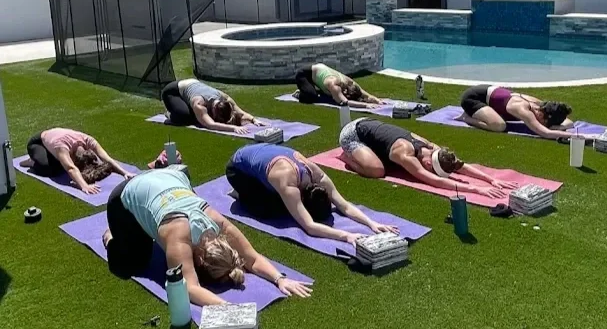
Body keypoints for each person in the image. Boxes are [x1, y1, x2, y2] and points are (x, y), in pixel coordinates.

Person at [102, 166, 312, 304]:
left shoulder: (219, 223)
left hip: (172, 177)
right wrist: (228, 307)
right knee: (132, 264)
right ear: (199, 259)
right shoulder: (178, 234)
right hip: (125, 194)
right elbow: (189, 288)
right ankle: (111, 235)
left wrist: (280, 279)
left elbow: (253, 258)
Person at [226, 143, 399, 243]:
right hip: (238, 170)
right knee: (271, 211)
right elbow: (309, 227)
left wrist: (372, 223)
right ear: (302, 198)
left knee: (285, 203)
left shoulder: (317, 175)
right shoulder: (288, 184)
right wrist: (347, 236)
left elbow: (344, 205)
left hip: (264, 154)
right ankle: (239, 193)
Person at [339, 117, 516, 198]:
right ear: (428, 162)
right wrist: (476, 190)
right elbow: (431, 180)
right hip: (353, 133)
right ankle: (347, 158)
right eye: (433, 169)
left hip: (371, 126)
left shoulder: (432, 148)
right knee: (377, 170)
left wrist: (491, 180)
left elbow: (459, 165)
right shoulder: (405, 153)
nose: (431, 171)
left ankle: (371, 153)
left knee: (384, 164)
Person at [26, 128, 134, 195]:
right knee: (50, 170)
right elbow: (71, 168)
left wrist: (124, 172)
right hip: (38, 143)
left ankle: (50, 155)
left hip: (53, 142)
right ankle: (32, 161)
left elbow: (107, 158)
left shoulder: (88, 140)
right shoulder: (62, 146)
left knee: (60, 163)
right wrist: (84, 186)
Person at [459, 85, 578, 139]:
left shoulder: (541, 105)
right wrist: (576, 136)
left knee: (500, 122)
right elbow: (545, 133)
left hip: (488, 94)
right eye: (545, 122)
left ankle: (485, 113)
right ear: (542, 115)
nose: (544, 124)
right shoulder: (523, 109)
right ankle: (467, 117)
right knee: (499, 126)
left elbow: (569, 123)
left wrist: (557, 128)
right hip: (473, 98)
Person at [161, 78, 267, 134]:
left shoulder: (224, 98)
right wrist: (233, 128)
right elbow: (210, 124)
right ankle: (169, 113)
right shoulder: (199, 104)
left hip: (192, 83)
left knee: (196, 116)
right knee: (188, 118)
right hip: (173, 92)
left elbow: (239, 111)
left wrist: (254, 119)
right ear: (214, 110)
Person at [294, 63, 382, 108]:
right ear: (345, 91)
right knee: (312, 97)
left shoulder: (348, 82)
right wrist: (365, 105)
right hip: (304, 74)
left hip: (318, 71)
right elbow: (344, 102)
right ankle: (300, 93)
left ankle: (313, 88)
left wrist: (376, 99)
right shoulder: (333, 85)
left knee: (327, 94)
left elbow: (361, 91)